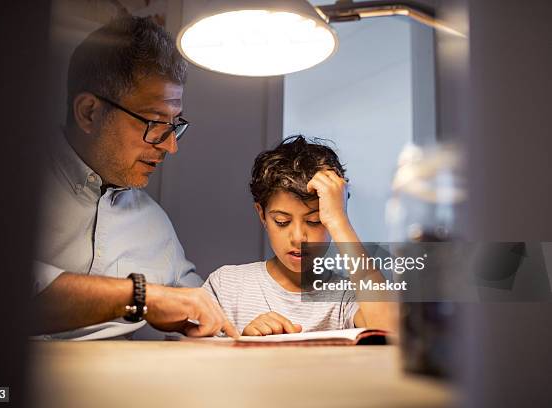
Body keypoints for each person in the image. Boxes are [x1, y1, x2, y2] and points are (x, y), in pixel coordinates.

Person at [33, 15, 238, 340]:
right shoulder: (8, 183)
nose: (171, 146)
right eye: (155, 123)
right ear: (89, 112)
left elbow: (202, 308)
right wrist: (141, 296)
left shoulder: (154, 223)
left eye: (174, 126)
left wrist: (246, 321)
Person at [203, 136, 394, 335]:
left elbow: (390, 331)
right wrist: (244, 344)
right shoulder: (226, 285)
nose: (298, 238)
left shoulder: (348, 295)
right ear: (262, 215)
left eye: (314, 221)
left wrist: (339, 221)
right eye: (282, 222)